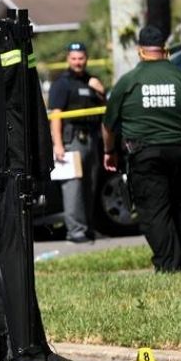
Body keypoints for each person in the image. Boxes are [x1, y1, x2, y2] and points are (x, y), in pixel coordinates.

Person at [103, 25, 181, 273]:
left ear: (140, 50)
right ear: (165, 49)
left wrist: (109, 151)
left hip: (145, 155)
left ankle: (168, 266)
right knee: (179, 207)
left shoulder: (129, 81)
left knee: (154, 212)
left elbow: (108, 125)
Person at [49, 41, 106, 243]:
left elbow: (105, 108)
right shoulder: (62, 84)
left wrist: (101, 91)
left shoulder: (91, 81)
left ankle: (88, 228)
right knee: (73, 187)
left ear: (86, 59)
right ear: (68, 59)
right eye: (74, 58)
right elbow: (56, 115)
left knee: (90, 185)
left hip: (91, 138)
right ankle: (75, 231)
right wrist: (57, 144)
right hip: (72, 140)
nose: (77, 62)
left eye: (81, 58)